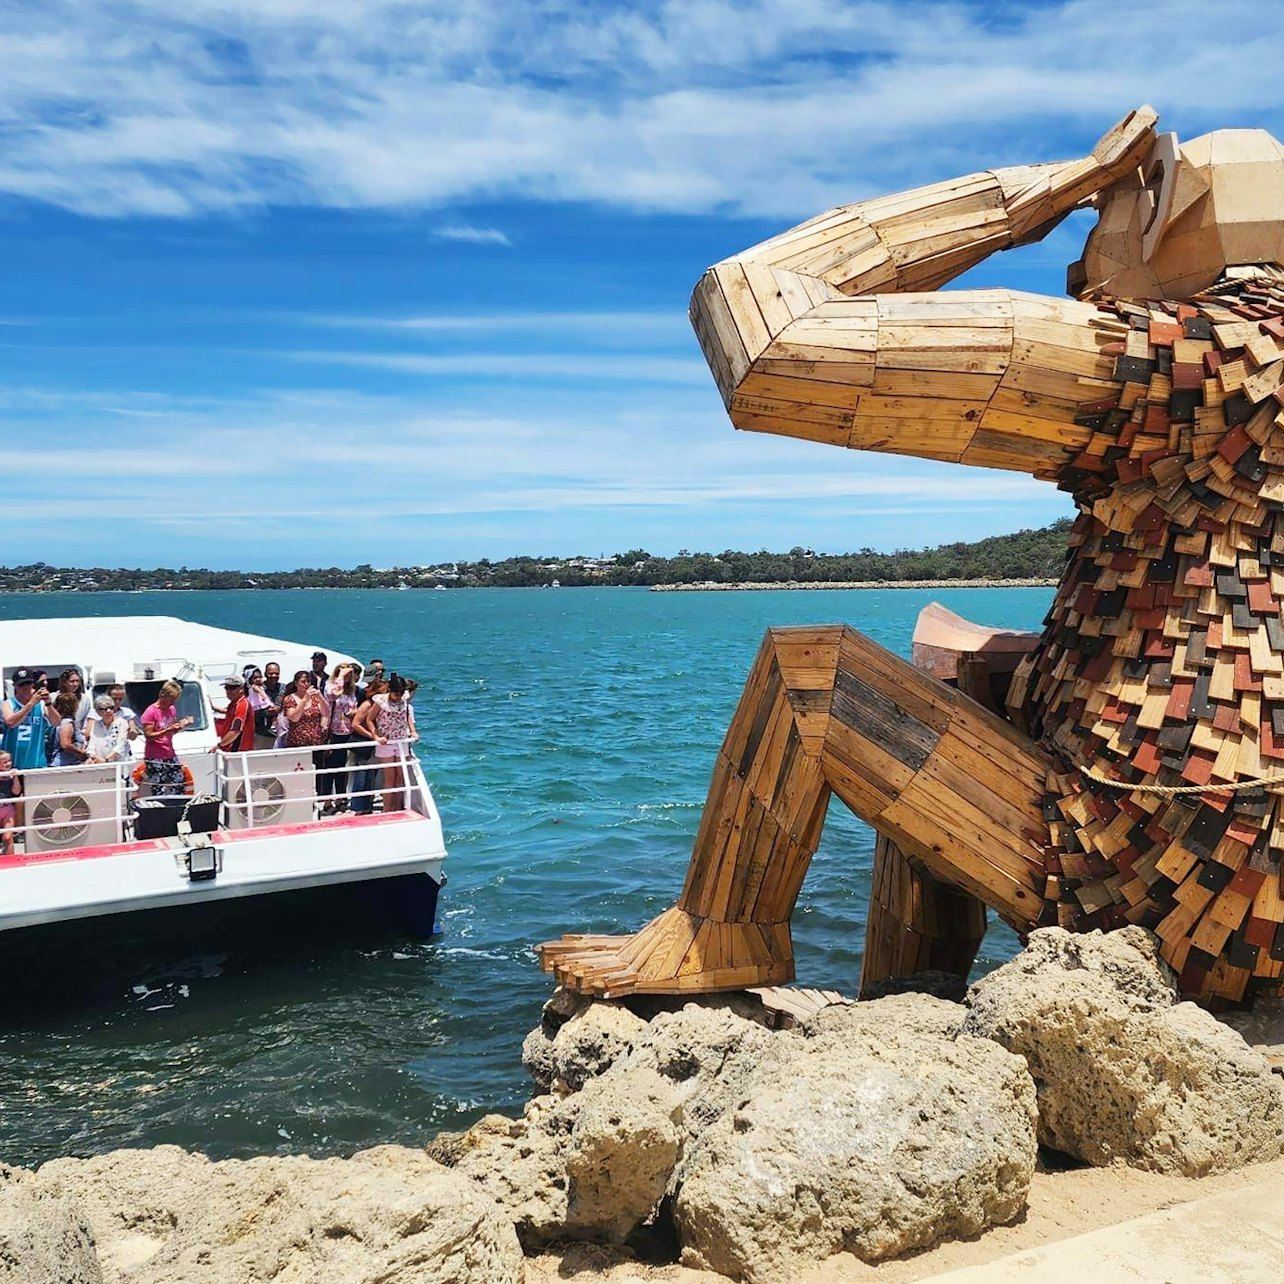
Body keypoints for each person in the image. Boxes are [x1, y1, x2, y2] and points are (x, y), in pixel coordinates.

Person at [366, 673, 417, 812]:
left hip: (401, 740)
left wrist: (413, 731)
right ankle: (387, 809)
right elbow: (370, 719)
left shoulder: (404, 699)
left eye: (401, 693)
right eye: (396, 693)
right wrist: (375, 736)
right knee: (389, 778)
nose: (398, 696)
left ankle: (398, 807)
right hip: (386, 742)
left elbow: (407, 716)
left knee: (400, 777)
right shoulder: (381, 702)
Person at [139, 679, 194, 795]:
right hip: (155, 756)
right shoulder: (150, 712)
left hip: (169, 753)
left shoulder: (171, 710)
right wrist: (167, 730)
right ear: (163, 696)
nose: (173, 703)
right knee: (159, 789)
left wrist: (180, 726)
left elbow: (170, 732)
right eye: (172, 699)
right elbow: (149, 736)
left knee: (178, 784)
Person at [283, 672, 329, 803]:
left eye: (308, 681)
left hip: (316, 743)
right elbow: (294, 717)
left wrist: (320, 697)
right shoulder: (289, 699)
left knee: (317, 774)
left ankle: (317, 802)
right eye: (303, 682)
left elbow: (326, 713)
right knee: (299, 775)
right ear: (296, 683)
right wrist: (304, 700)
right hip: (297, 744)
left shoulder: (315, 699)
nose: (306, 684)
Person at [320, 662, 360, 812]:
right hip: (332, 732)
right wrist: (341, 676)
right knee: (329, 767)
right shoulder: (330, 685)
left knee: (342, 768)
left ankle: (341, 798)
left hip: (346, 732)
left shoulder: (351, 691)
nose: (348, 677)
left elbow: (351, 710)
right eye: (345, 674)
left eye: (350, 674)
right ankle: (327, 800)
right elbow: (333, 695)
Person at [2, 668, 58, 771]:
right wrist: (30, 704)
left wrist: (49, 704)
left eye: (28, 683)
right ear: (15, 686)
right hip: (12, 765)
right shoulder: (7, 704)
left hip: (37, 763)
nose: (25, 687)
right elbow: (10, 722)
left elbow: (56, 722)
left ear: (33, 684)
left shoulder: (41, 704)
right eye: (21, 684)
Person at [347, 680, 383, 814]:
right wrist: (371, 735)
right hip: (364, 744)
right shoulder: (367, 705)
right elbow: (355, 724)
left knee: (371, 775)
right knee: (362, 776)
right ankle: (359, 807)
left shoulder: (378, 705)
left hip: (374, 745)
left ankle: (367, 805)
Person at [214, 674, 255, 754]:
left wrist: (219, 745)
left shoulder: (242, 705)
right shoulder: (233, 704)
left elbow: (236, 730)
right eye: (226, 688)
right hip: (230, 750)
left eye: (232, 688)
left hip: (238, 751)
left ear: (241, 689)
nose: (228, 691)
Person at [85, 694, 130, 764]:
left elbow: (120, 746)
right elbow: (91, 745)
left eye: (111, 708)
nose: (108, 711)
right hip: (99, 764)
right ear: (98, 711)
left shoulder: (122, 723)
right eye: (104, 709)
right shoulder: (96, 725)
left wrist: (106, 760)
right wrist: (93, 757)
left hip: (119, 764)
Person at [51, 692, 90, 767]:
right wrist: (81, 753)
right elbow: (66, 744)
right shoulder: (67, 723)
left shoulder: (56, 722)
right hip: (64, 764)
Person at [0, 749, 21, 855]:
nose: (8, 764)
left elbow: (16, 792)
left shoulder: (11, 774)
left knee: (8, 837)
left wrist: (15, 777)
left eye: (9, 761)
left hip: (7, 809)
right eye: (4, 762)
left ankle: (10, 861)